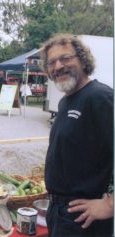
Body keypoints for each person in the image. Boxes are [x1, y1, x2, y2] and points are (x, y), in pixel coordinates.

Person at [41, 34, 113, 237]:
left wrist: (110, 204)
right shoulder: (66, 102)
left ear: (82, 60)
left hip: (83, 221)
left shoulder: (100, 97)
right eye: (52, 62)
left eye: (65, 58)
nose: (58, 66)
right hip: (60, 215)